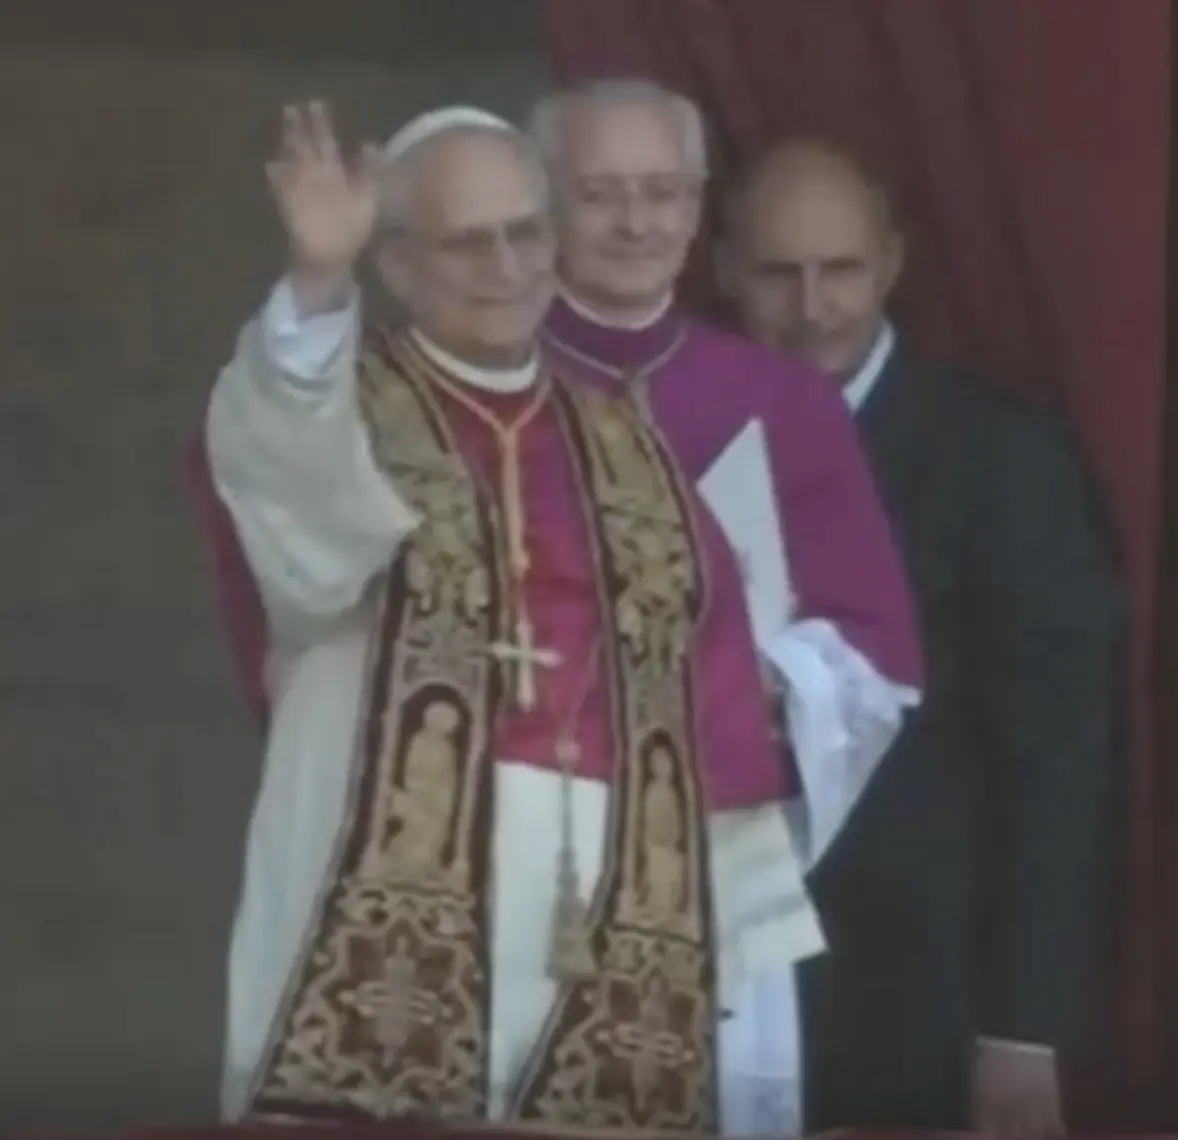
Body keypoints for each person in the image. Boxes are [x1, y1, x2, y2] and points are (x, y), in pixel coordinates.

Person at [201, 98, 828, 1133]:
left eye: (524, 233)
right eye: (465, 241)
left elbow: (703, 689)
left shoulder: (634, 448)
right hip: (378, 873)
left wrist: (725, 904)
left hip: (605, 891)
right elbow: (283, 474)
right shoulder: (343, 408)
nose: (503, 265)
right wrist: (317, 278)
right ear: (394, 265)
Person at [525, 75, 925, 1126]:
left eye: (663, 191)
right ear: (545, 203)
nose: (636, 221)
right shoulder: (478, 381)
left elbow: (874, 649)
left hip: (712, 846)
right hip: (520, 845)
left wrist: (757, 673)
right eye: (602, 192)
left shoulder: (783, 403)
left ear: (698, 209)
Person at [716, 137, 1123, 1135]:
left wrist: (1021, 1030)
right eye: (778, 274)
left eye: (840, 270)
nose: (812, 308)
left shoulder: (998, 459)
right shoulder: (670, 433)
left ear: (891, 261)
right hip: (702, 988)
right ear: (721, 269)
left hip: (918, 1001)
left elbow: (1054, 761)